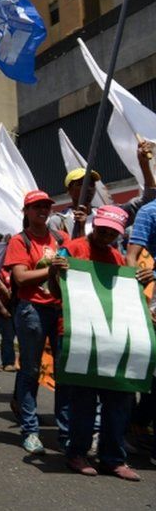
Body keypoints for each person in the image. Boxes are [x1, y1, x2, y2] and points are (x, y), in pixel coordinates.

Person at [50, 205, 150, 481]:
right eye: (103, 228)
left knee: (119, 398)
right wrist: (53, 273)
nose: (106, 234)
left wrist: (141, 281)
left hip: (112, 337)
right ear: (96, 225)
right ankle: (77, 453)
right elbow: (55, 291)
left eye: (112, 232)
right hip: (79, 333)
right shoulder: (71, 249)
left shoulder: (118, 259)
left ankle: (112, 458)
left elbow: (127, 300)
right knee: (83, 399)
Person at [3, 190, 71, 456]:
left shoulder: (60, 237)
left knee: (64, 371)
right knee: (30, 369)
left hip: (60, 310)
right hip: (31, 310)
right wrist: (52, 268)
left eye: (46, 206)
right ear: (26, 212)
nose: (42, 210)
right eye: (36, 206)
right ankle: (30, 430)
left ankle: (66, 433)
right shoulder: (20, 241)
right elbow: (20, 278)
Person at [48, 142, 156, 237]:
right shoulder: (59, 221)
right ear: (69, 190)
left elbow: (148, 200)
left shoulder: (109, 215)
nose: (88, 188)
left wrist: (144, 164)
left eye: (91, 184)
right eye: (81, 184)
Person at [125, 197, 156, 470]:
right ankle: (137, 423)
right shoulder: (150, 211)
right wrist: (138, 294)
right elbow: (132, 255)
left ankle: (139, 421)